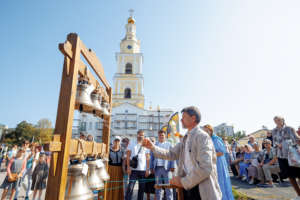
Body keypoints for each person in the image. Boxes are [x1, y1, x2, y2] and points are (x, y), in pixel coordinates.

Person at [143, 106, 222, 200]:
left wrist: (182, 181)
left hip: (201, 189)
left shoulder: (202, 137)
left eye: (184, 117)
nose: (181, 120)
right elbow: (170, 154)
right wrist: (153, 147)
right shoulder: (185, 138)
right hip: (188, 187)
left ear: (193, 118)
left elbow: (205, 167)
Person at [203, 124, 234, 200]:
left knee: (221, 181)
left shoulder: (216, 139)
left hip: (219, 162)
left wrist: (210, 154)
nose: (205, 132)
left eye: (206, 130)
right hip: (213, 162)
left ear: (210, 131)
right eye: (204, 131)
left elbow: (222, 152)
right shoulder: (207, 139)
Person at [272, 116, 300, 198]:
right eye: (275, 121)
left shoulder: (289, 128)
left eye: (279, 120)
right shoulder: (274, 131)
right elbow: (274, 142)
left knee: (299, 174)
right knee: (290, 176)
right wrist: (277, 146)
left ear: (283, 120)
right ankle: (298, 195)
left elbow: (296, 139)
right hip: (281, 156)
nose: (277, 122)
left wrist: (284, 144)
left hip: (292, 155)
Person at [125, 130, 150, 200]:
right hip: (133, 170)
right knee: (130, 188)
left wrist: (148, 169)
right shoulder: (131, 143)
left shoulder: (146, 144)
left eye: (142, 135)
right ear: (137, 135)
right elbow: (128, 156)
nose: (141, 136)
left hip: (143, 170)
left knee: (141, 189)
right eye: (139, 135)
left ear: (144, 136)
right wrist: (128, 167)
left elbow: (148, 157)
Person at [150, 131, 175, 200]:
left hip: (167, 168)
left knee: (168, 187)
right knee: (158, 187)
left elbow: (173, 156)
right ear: (158, 136)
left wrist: (173, 166)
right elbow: (151, 157)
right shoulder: (155, 145)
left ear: (165, 136)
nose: (161, 136)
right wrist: (151, 167)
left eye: (162, 135)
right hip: (157, 169)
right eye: (160, 135)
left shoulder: (169, 144)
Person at [107, 136, 124, 200]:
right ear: (113, 141)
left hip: (119, 170)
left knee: (118, 184)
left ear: (120, 142)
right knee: (111, 184)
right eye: (115, 141)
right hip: (111, 169)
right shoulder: (109, 150)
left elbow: (124, 160)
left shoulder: (122, 150)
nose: (116, 142)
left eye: (118, 141)